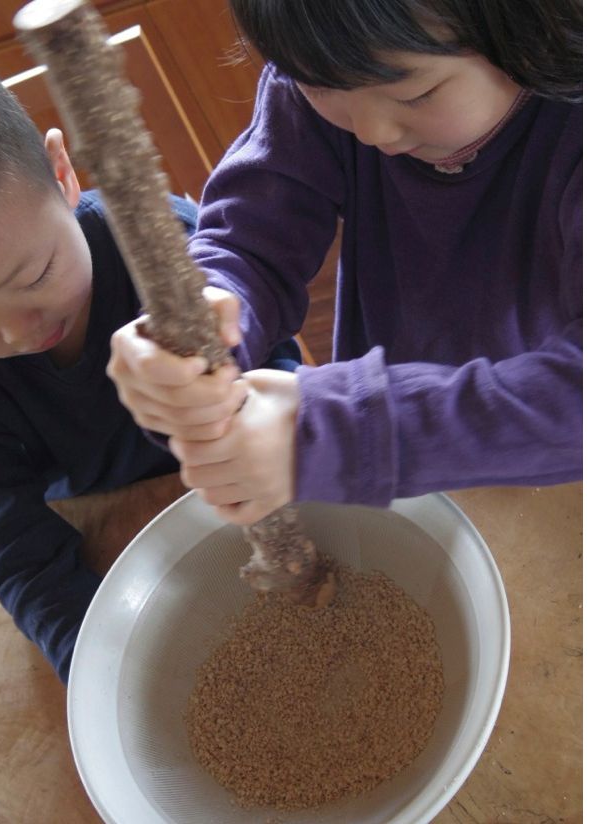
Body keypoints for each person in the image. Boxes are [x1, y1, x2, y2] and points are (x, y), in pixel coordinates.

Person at [0, 28, 301, 684]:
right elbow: (20, 545)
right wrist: (97, 668)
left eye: (34, 275)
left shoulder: (165, 248)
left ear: (63, 175)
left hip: (242, 487)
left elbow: (276, 372)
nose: (13, 331)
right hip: (109, 536)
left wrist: (277, 436)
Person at [106, 0, 582, 527]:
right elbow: (252, 239)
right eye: (318, 90)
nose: (372, 132)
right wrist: (202, 322)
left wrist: (348, 433)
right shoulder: (328, 59)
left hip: (552, 461)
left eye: (415, 94)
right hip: (388, 465)